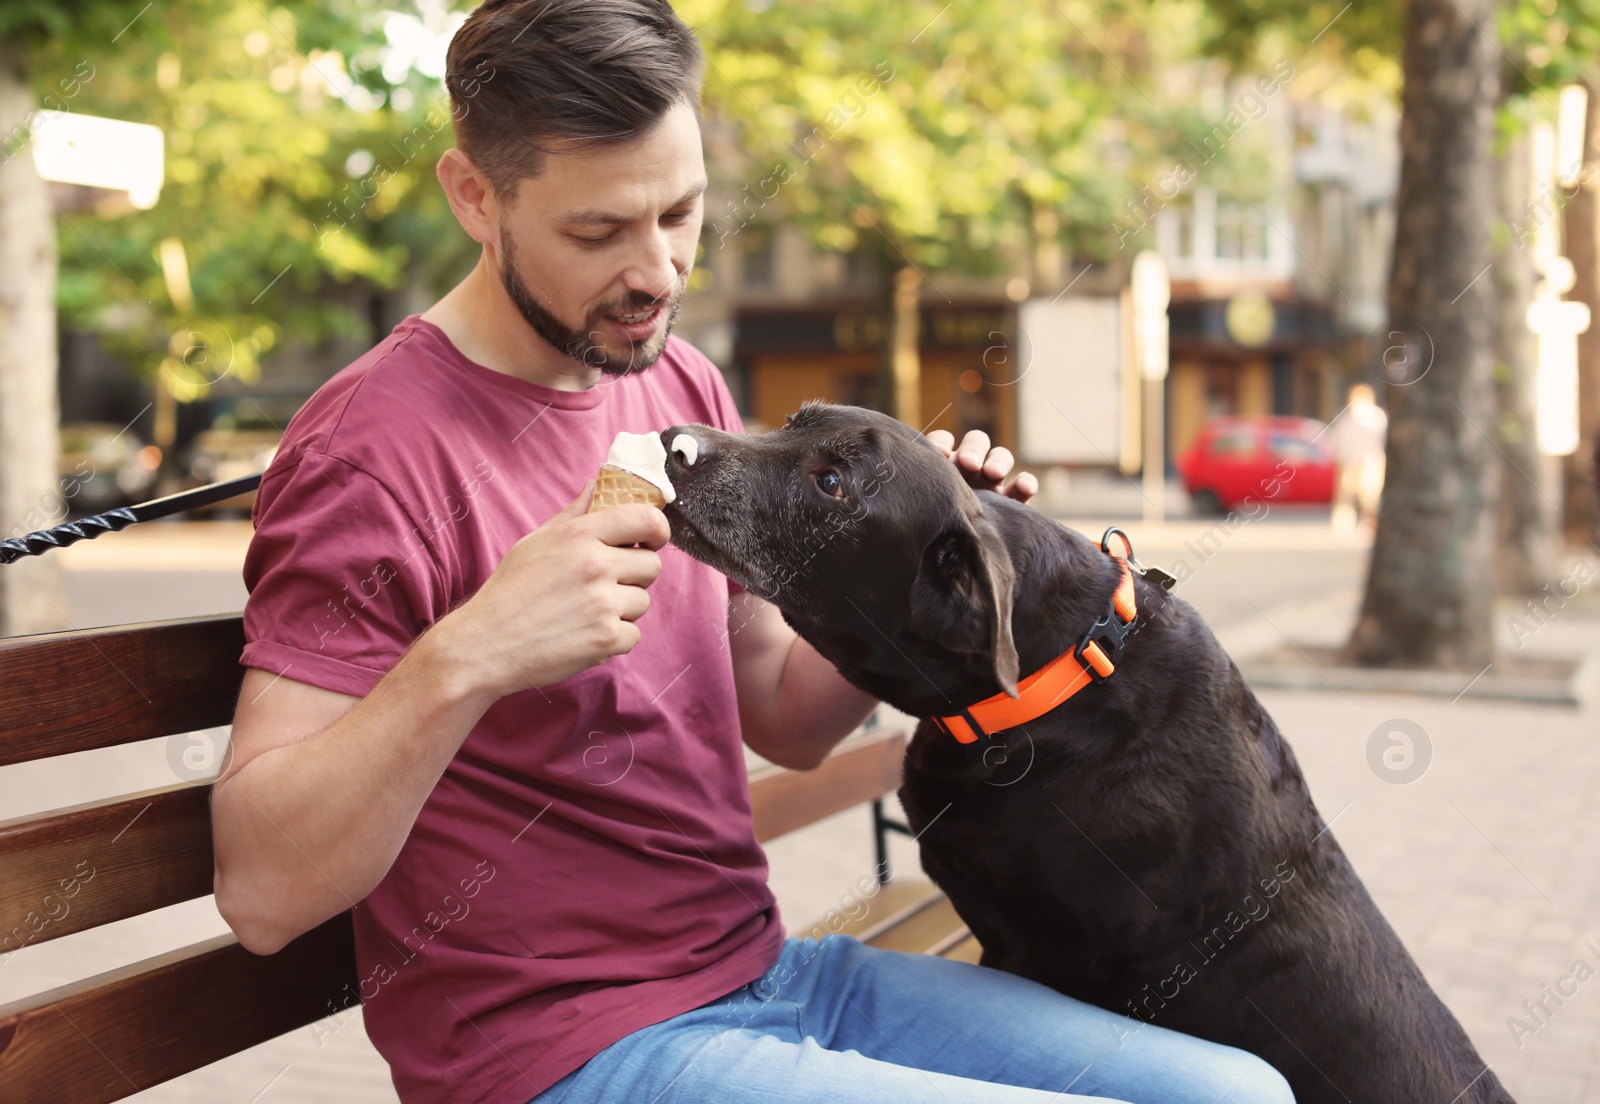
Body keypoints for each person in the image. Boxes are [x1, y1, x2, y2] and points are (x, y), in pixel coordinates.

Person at [211, 2, 1294, 1102]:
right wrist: (472, 652)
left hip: (768, 975)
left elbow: (781, 709)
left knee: (1235, 1095)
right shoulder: (370, 451)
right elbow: (263, 890)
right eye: (598, 232)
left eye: (681, 214)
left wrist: (916, 569)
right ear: (473, 196)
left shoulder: (675, 385)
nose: (657, 271)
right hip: (562, 1052)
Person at [1330, 382, 1387, 533]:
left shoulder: (1376, 416)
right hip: (1350, 461)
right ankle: (1343, 524)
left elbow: (1380, 439)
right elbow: (1341, 441)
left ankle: (1368, 523)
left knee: (1370, 496)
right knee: (1346, 494)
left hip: (1371, 460)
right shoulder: (1345, 417)